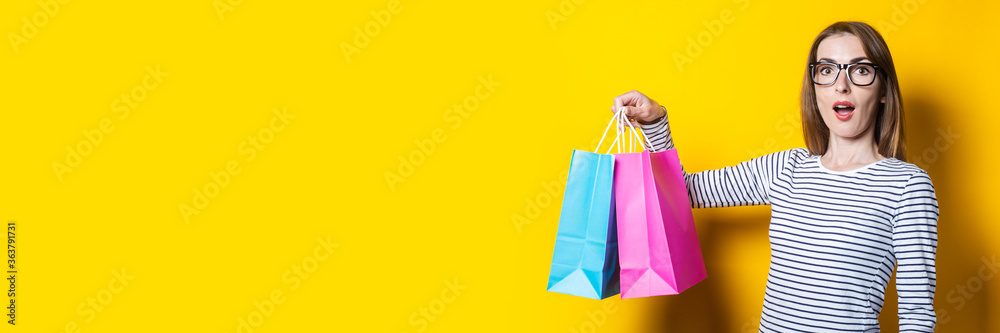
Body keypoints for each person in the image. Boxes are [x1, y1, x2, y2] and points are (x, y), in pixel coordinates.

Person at [612, 21, 938, 332]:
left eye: (860, 70)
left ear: (883, 90)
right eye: (826, 70)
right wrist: (655, 123)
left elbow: (916, 314)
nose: (842, 84)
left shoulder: (907, 186)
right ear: (815, 89)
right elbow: (684, 192)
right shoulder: (785, 169)